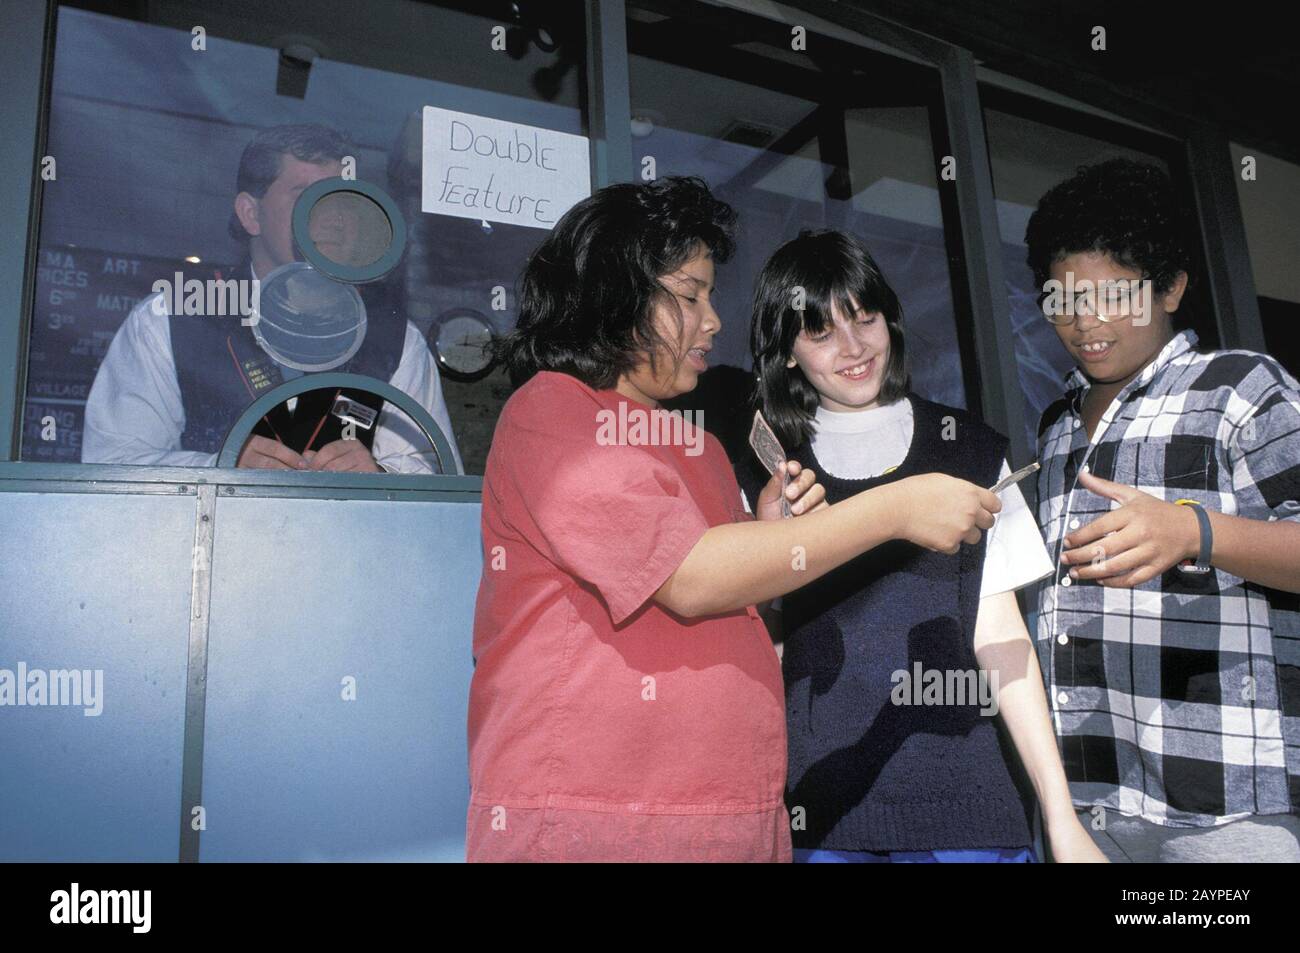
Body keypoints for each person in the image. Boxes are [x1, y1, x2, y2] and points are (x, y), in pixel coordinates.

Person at [468, 177, 1007, 862]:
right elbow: (691, 578)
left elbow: (746, 607)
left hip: (732, 821)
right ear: (614, 295)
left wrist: (772, 533)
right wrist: (896, 507)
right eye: (690, 295)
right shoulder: (556, 414)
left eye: (711, 295)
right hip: (602, 821)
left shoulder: (703, 452)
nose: (714, 319)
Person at [735, 229, 1103, 862]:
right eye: (821, 333)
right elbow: (758, 651)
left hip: (972, 814)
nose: (853, 349)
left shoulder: (973, 449)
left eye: (865, 318)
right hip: (820, 817)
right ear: (788, 353)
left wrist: (1060, 815)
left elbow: (1001, 636)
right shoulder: (767, 478)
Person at [1025, 157, 1300, 862]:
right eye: (1062, 300)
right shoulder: (1055, 427)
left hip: (1229, 812)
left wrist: (1193, 530)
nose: (1084, 322)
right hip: (1094, 800)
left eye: (1113, 296)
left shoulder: (1239, 390)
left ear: (1172, 287)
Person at [82, 123, 462, 474]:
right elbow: (112, 464)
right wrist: (222, 469)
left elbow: (437, 475)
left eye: (343, 200)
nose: (333, 217)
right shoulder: (173, 317)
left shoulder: (396, 338)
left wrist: (381, 477)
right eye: (308, 196)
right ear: (251, 214)